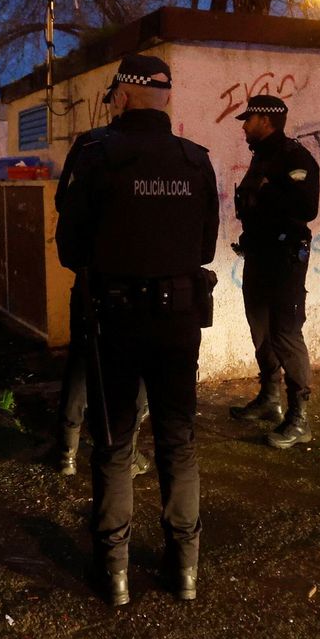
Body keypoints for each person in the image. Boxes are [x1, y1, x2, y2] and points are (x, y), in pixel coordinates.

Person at [56, 54, 218, 606]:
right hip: (178, 320)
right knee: (178, 441)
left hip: (115, 319)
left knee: (115, 443)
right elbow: (205, 248)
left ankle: (116, 572)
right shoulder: (196, 161)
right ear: (166, 98)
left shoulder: (96, 155)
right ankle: (185, 570)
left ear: (122, 95)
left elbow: (71, 249)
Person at [54, 121, 150, 479]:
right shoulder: (165, 148)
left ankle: (67, 448)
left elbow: (64, 202)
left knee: (82, 362)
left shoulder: (90, 145)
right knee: (133, 370)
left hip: (93, 278)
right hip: (138, 282)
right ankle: (125, 451)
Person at [225, 94, 320, 449]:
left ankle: (299, 417)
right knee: (261, 328)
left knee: (285, 334)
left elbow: (306, 208)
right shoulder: (263, 156)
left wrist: (270, 192)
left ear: (266, 120)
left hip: (285, 258)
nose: (245, 126)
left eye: (248, 120)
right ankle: (270, 398)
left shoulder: (295, 157)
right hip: (259, 254)